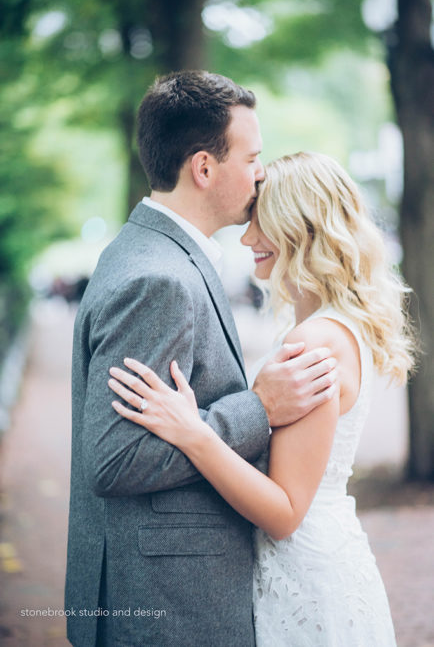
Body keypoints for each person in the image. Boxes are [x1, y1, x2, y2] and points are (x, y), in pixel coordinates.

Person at [65, 73, 337, 647]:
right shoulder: (157, 278)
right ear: (204, 168)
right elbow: (114, 460)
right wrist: (257, 408)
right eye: (252, 156)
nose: (260, 172)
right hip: (167, 604)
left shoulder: (154, 253)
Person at [108, 151, 417, 646]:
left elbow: (285, 512)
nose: (247, 238)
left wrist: (195, 432)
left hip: (305, 580)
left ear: (301, 227)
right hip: (319, 560)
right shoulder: (329, 327)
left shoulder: (315, 342)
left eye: (260, 222)